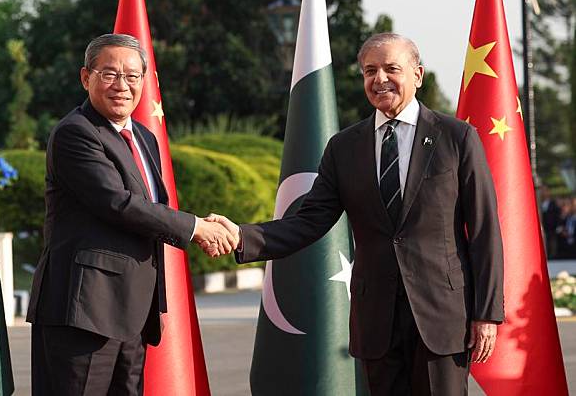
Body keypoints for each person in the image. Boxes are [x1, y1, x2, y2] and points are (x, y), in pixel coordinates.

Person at [207, 33, 505, 395]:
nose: (379, 79)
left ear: (418, 75)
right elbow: (308, 221)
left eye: (391, 68)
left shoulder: (456, 138)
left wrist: (486, 313)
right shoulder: (344, 147)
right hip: (376, 319)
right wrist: (242, 236)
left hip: (441, 317)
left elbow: (485, 231)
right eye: (369, 71)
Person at [26, 33, 237, 396]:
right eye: (109, 74)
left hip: (133, 310)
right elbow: (119, 203)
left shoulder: (143, 136)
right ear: (85, 77)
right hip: (84, 310)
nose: (121, 86)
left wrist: (199, 225)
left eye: (132, 76)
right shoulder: (75, 133)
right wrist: (195, 227)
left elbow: (152, 206)